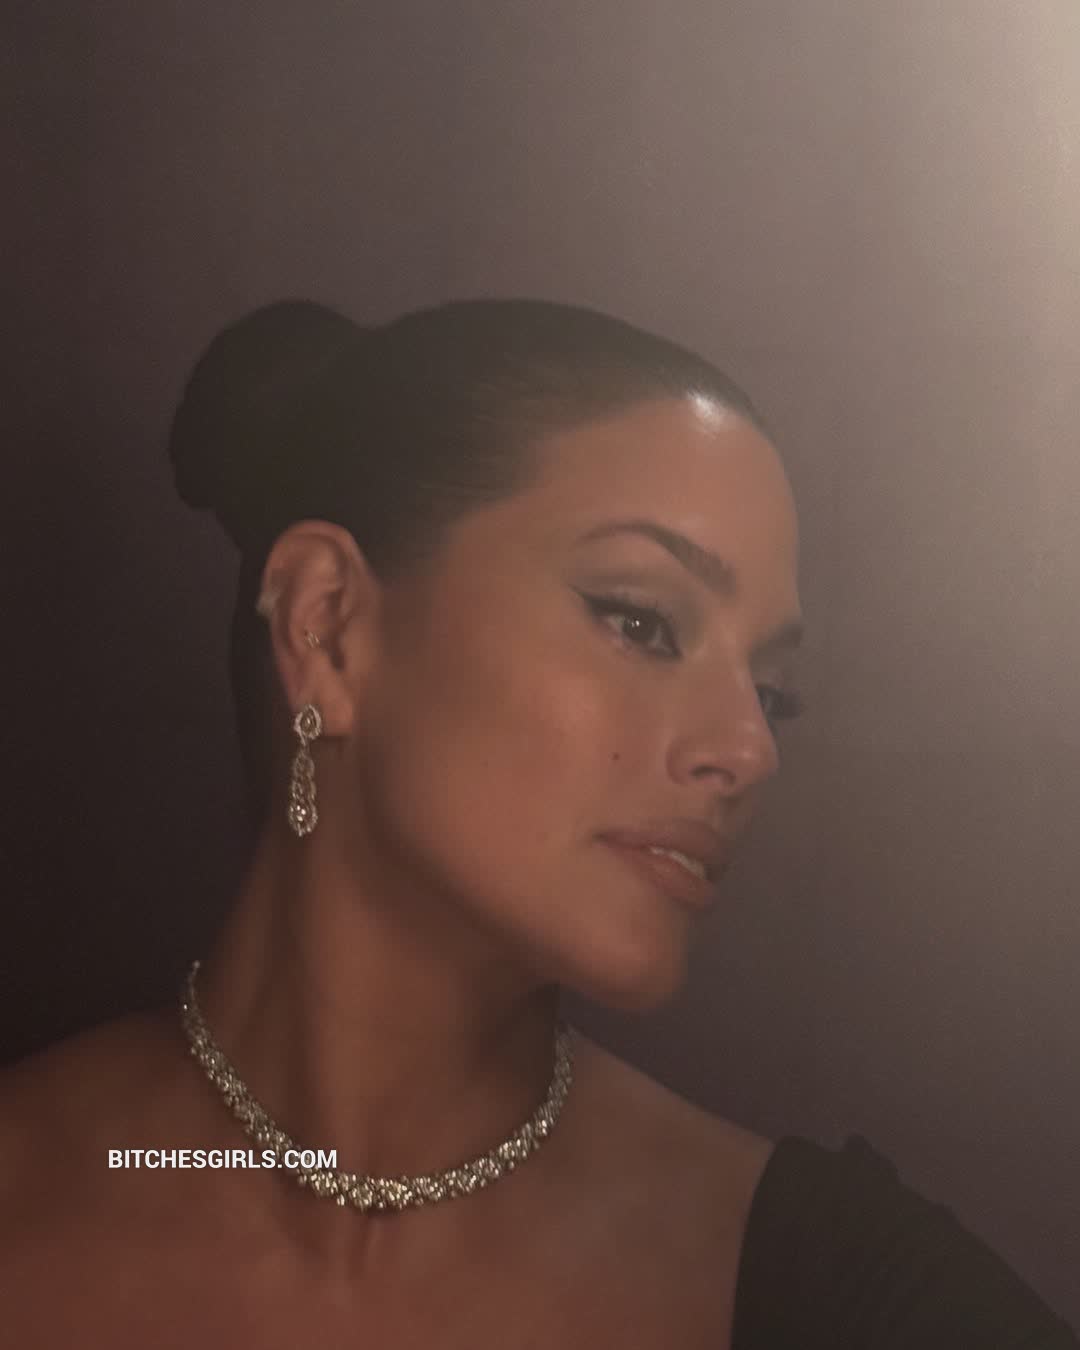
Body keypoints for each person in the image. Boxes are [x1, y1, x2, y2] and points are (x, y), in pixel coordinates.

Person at [0, 297, 1074, 1348]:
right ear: (329, 627)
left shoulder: (838, 1293)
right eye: (642, 621)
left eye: (771, 692)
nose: (749, 750)